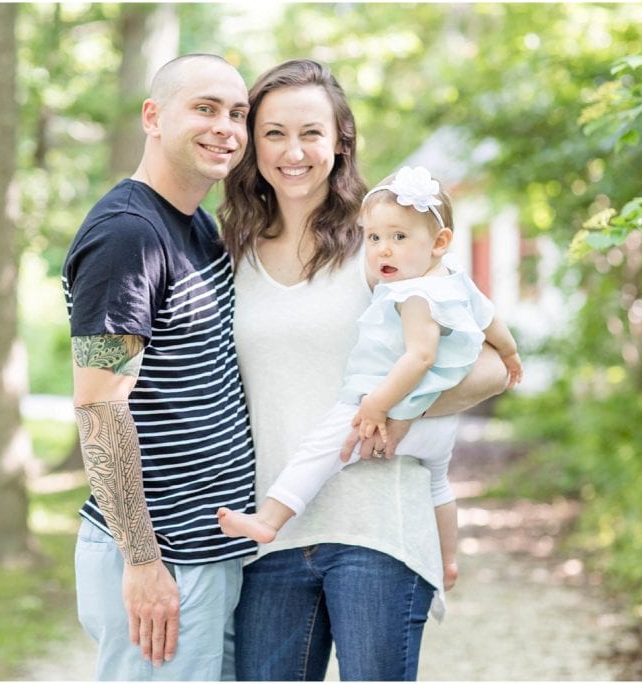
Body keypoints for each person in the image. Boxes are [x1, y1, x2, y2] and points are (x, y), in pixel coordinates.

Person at [217, 59, 509, 681]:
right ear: (251, 145)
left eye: (312, 133)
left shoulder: (387, 243)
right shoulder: (228, 253)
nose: (293, 151)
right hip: (271, 536)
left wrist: (398, 411)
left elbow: (491, 365)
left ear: (341, 141)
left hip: (378, 529)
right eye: (274, 133)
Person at [218, 165, 524, 593]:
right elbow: (492, 322)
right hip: (438, 424)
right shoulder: (455, 281)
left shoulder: (413, 293)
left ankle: (269, 519)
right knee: (438, 484)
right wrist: (509, 355)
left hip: (400, 405)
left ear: (439, 243)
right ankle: (448, 560)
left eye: (399, 238)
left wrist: (379, 403)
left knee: (321, 449)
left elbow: (420, 356)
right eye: (376, 238)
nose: (383, 251)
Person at [62, 53, 257, 681]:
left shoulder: (197, 228)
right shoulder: (129, 235)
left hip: (209, 553)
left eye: (237, 114)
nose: (225, 127)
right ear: (154, 116)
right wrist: (142, 561)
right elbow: (99, 405)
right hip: (161, 559)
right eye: (204, 108)